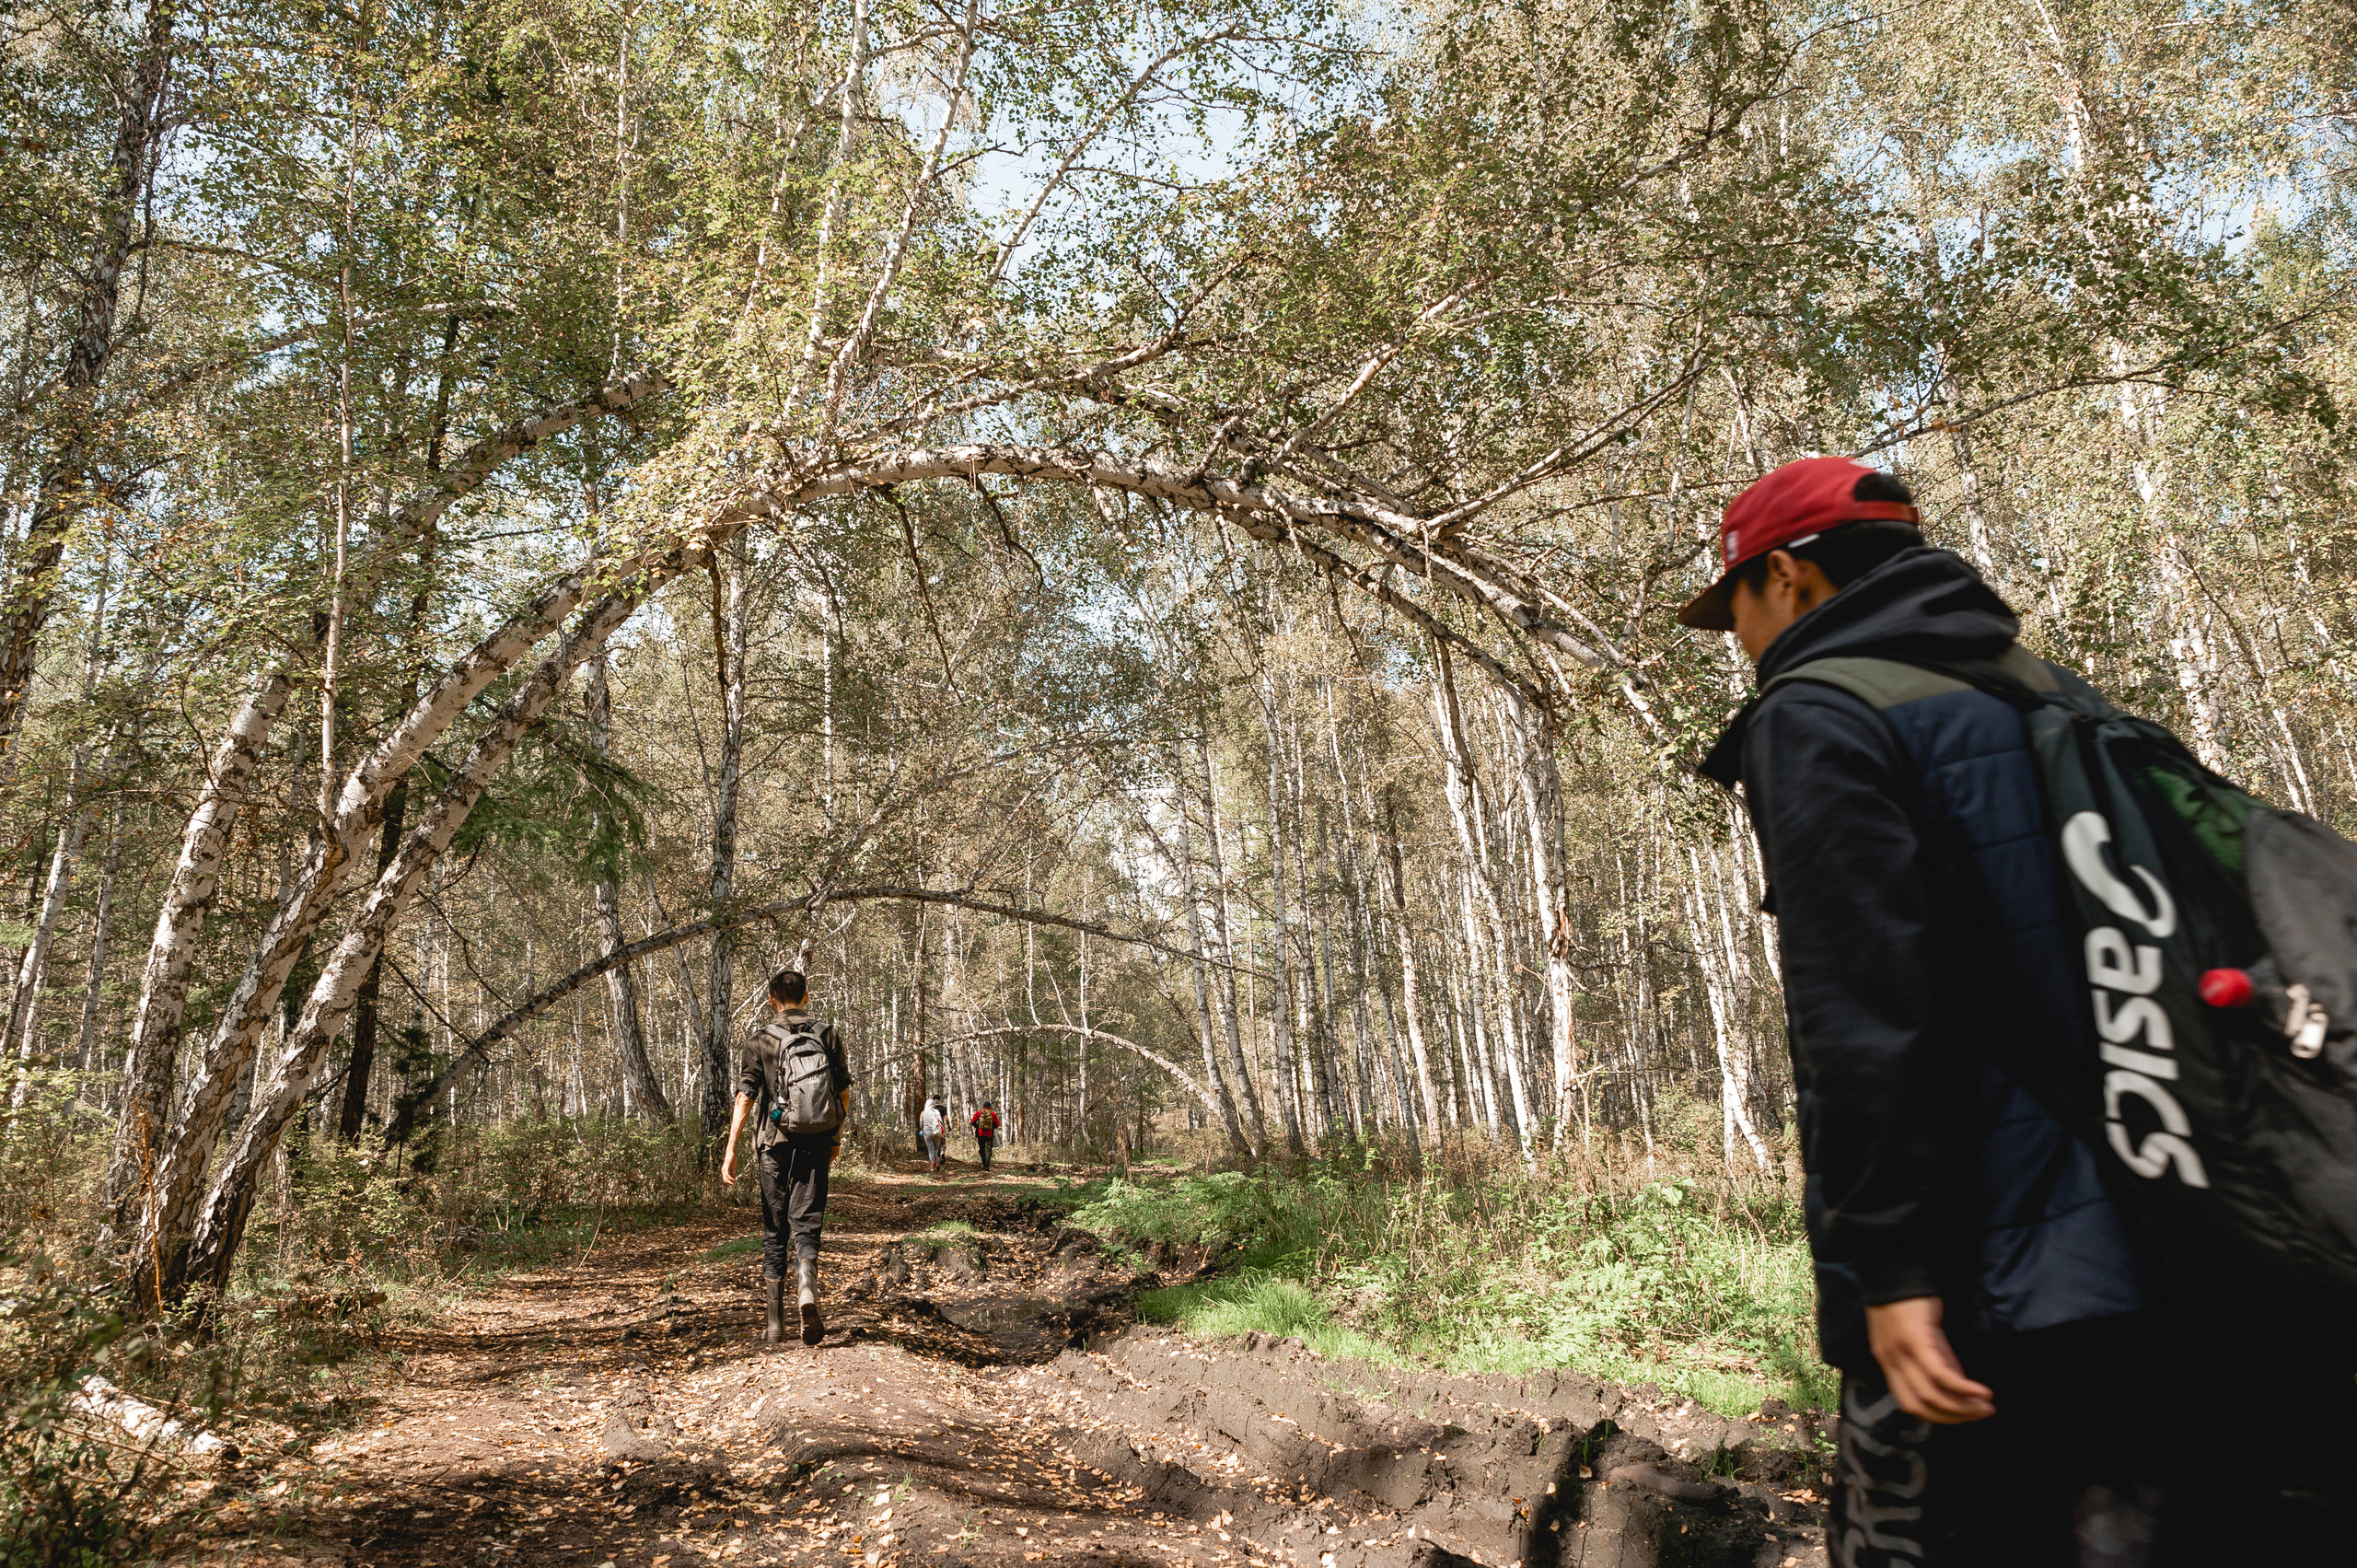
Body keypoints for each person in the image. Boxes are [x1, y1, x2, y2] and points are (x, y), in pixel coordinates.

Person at [1688, 456, 2352, 1564]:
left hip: (1987, 1274)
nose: (1739, 637)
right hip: (2177, 1234)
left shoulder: (1817, 712)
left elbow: (1860, 1015)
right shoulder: (2048, 693)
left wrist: (1888, 1276)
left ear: (1790, 577)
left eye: (1738, 606)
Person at [720, 968, 850, 1347]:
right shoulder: (827, 1034)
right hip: (816, 1139)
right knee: (807, 1220)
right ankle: (806, 1290)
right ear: (806, 996)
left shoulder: (761, 1039)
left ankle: (775, 1325)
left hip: (772, 1143)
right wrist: (835, 1137)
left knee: (775, 1225)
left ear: (772, 1000)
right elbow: (842, 1093)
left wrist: (731, 1149)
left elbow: (746, 1096)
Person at [918, 1098, 946, 1174]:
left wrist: (924, 1130)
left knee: (930, 1149)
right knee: (936, 1148)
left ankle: (932, 1166)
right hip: (936, 1132)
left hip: (927, 1133)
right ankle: (938, 1163)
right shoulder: (936, 1111)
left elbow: (921, 1125)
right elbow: (941, 1122)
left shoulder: (923, 1113)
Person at [970, 1100, 1000, 1170]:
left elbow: (972, 1122)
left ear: (983, 1107)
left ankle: (983, 1164)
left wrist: (978, 1126)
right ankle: (987, 1166)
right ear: (989, 1107)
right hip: (989, 1134)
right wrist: (991, 1127)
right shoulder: (992, 1114)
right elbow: (997, 1124)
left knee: (982, 1149)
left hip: (980, 1134)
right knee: (988, 1150)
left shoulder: (979, 1113)